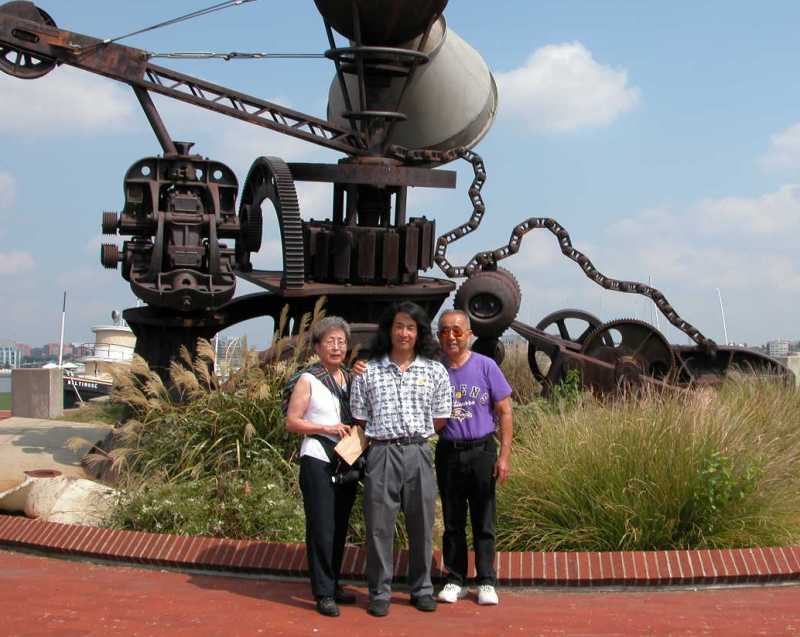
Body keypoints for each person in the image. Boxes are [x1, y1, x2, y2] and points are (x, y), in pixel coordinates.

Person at [350, 301, 453, 617]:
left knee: (421, 524)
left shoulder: (434, 370)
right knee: (379, 526)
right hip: (381, 453)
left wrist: (412, 436)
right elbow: (360, 417)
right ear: (389, 330)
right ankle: (380, 592)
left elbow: (440, 417)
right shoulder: (369, 370)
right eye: (399, 326)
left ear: (419, 332)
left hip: (418, 452)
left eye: (411, 327)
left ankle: (421, 589)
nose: (404, 333)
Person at [435, 309, 513, 606]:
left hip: (481, 450)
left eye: (457, 330)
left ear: (469, 334)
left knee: (484, 519)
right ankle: (454, 578)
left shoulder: (486, 366)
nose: (451, 336)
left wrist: (503, 457)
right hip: (449, 451)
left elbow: (505, 411)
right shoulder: (435, 369)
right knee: (453, 520)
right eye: (445, 331)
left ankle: (486, 581)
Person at [285, 316, 358, 618]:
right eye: (330, 341)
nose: (337, 346)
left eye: (341, 341)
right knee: (322, 528)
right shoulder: (309, 379)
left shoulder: (350, 378)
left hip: (347, 457)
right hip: (317, 457)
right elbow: (292, 422)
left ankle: (334, 582)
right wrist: (326, 428)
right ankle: (323, 592)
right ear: (317, 346)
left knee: (340, 526)